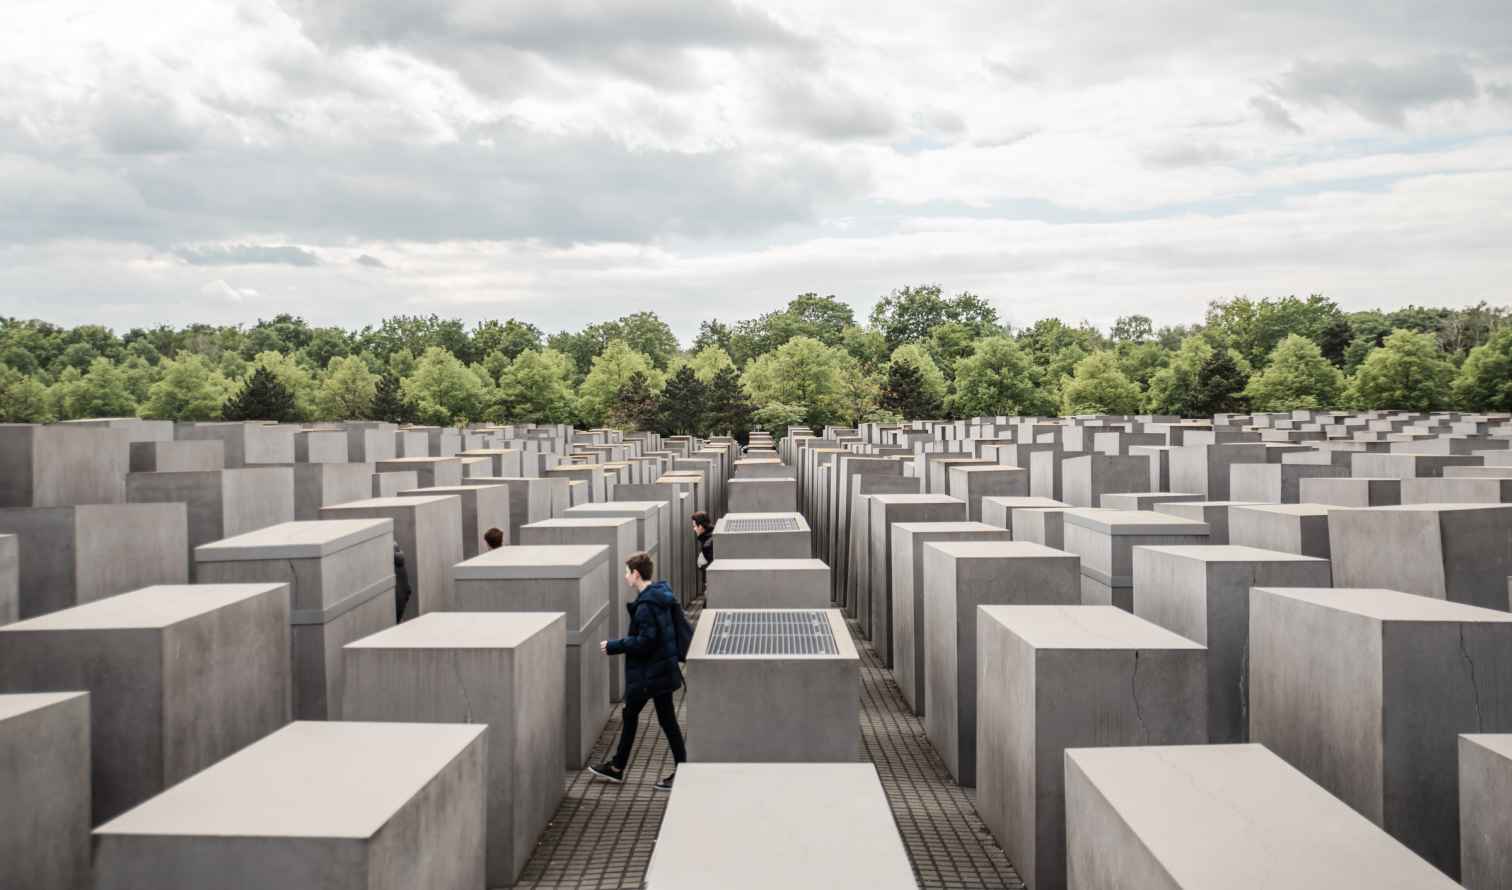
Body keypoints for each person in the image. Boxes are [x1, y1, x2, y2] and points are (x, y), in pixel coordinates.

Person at [590, 551, 686, 791]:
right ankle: (618, 766)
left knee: (656, 719)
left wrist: (615, 645)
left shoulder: (646, 606)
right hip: (661, 670)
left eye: (626, 572)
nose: (624, 577)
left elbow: (646, 641)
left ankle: (622, 767)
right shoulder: (660, 596)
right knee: (646, 717)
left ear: (636, 573)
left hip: (651, 674)